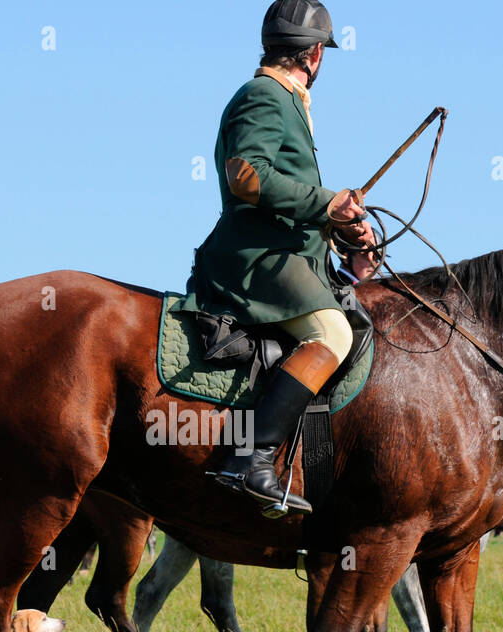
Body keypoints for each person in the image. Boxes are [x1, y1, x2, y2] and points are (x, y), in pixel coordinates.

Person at [179, 0, 368, 515]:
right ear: (314, 55)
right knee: (332, 333)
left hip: (288, 253)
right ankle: (250, 458)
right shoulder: (264, 96)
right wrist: (325, 202)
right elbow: (246, 175)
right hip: (256, 257)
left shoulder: (288, 101)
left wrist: (339, 226)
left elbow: (288, 191)